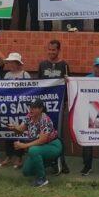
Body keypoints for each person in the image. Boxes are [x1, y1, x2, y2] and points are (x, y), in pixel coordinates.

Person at [7, 98, 62, 187]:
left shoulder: (45, 120)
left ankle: (42, 179)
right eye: (30, 107)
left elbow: (42, 141)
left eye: (34, 107)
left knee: (33, 150)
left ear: (40, 109)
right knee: (27, 172)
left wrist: (23, 145)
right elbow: (21, 129)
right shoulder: (29, 116)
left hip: (52, 145)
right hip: (40, 147)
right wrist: (14, 128)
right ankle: (52, 162)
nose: (31, 109)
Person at [37, 40, 70, 174]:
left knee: (59, 134)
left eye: (54, 50)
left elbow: (68, 85)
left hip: (59, 106)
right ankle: (47, 162)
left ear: (58, 50)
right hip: (44, 107)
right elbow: (38, 84)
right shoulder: (42, 64)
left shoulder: (64, 65)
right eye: (49, 50)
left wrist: (66, 101)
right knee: (44, 134)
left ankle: (61, 162)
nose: (51, 52)